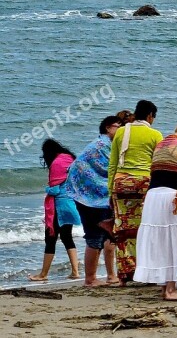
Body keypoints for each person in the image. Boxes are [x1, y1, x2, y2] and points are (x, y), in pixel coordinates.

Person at [134, 119, 177, 301]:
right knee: (175, 240)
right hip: (171, 197)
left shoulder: (160, 144)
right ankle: (171, 289)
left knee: (159, 240)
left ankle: (164, 288)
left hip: (153, 195)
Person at [107, 100, 163, 284]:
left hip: (121, 183)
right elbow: (158, 165)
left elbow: (113, 164)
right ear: (149, 116)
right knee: (146, 228)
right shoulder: (155, 135)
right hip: (144, 184)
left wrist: (110, 191)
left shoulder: (122, 131)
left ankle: (124, 274)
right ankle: (145, 271)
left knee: (123, 230)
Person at [64, 115, 122, 286]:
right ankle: (90, 279)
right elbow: (110, 169)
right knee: (95, 236)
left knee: (102, 236)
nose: (121, 130)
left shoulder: (104, 144)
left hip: (89, 196)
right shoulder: (102, 145)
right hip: (90, 197)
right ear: (108, 128)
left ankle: (97, 277)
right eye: (119, 126)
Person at [29, 139, 81, 281]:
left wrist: (47, 189)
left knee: (50, 239)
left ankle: (43, 274)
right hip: (70, 203)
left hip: (59, 205)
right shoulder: (69, 159)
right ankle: (75, 271)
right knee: (66, 237)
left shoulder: (56, 163)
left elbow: (55, 189)